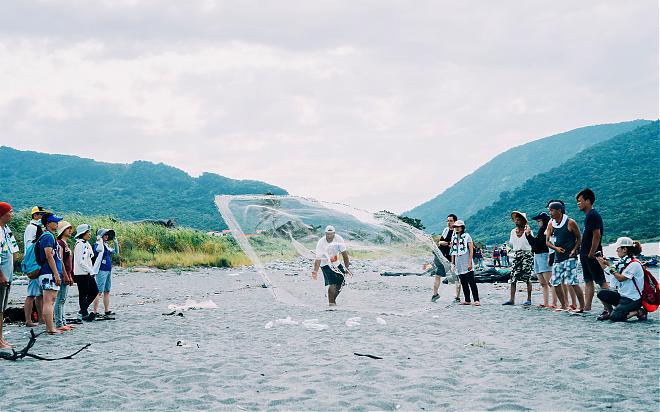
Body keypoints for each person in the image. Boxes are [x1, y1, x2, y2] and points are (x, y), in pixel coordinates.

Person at [546, 201, 585, 313]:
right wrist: (556, 249)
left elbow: (579, 238)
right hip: (558, 257)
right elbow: (547, 242)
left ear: (559, 210)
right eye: (549, 210)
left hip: (570, 257)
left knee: (572, 281)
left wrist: (574, 250)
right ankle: (563, 305)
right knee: (555, 281)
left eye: (552, 210)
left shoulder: (570, 222)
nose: (550, 213)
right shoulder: (551, 224)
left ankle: (582, 306)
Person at [595, 237, 646, 322]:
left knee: (616, 317)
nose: (616, 251)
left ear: (625, 249)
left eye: (618, 248)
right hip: (622, 296)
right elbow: (609, 271)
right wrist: (599, 259)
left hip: (633, 299)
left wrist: (609, 265)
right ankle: (610, 312)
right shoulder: (622, 262)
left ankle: (638, 311)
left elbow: (620, 278)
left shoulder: (635, 264)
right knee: (601, 293)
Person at [576, 188, 609, 312]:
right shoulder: (588, 216)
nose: (578, 203)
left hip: (592, 254)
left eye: (580, 201)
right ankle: (587, 307)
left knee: (601, 281)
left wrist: (591, 253)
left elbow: (597, 235)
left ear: (588, 201)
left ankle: (607, 307)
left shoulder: (593, 215)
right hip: (585, 254)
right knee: (588, 280)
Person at [311, 225, 352, 307]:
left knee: (341, 281)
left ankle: (332, 300)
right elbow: (318, 258)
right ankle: (331, 303)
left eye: (331, 234)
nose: (329, 236)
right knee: (333, 283)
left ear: (334, 233)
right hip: (325, 263)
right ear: (325, 233)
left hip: (336, 262)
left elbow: (345, 255)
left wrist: (347, 268)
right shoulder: (321, 243)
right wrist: (315, 271)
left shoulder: (339, 239)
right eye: (327, 234)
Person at [37, 212, 64, 334]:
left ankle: (50, 327)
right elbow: (49, 255)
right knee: (49, 301)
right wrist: (56, 274)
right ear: (48, 223)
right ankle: (50, 328)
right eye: (54, 221)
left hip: (50, 272)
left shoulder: (50, 236)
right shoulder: (47, 236)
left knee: (51, 300)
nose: (57, 223)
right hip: (48, 273)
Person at [502, 211, 534, 306]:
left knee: (527, 277)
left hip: (526, 254)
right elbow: (511, 244)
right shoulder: (513, 232)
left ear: (523, 221)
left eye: (519, 219)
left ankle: (529, 299)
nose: (517, 221)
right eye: (516, 219)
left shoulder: (528, 231)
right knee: (513, 277)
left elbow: (532, 242)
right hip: (516, 254)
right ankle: (512, 299)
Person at [23, 205, 47, 327]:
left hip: (36, 262)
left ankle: (41, 319)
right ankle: (28, 320)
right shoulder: (32, 228)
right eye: (40, 214)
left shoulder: (36, 227)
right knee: (31, 294)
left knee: (39, 294)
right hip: (34, 263)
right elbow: (30, 246)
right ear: (35, 215)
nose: (42, 216)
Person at [0, 202, 19, 349]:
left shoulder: (6, 229)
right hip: (2, 276)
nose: (12, 214)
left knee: (2, 309)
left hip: (8, 275)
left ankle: (1, 338)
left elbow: (12, 250)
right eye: (10, 212)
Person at [528, 212, 555, 308]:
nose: (538, 223)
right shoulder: (541, 230)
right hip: (537, 255)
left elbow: (537, 243)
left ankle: (554, 302)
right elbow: (535, 244)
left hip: (544, 255)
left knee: (549, 282)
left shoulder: (546, 230)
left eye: (539, 221)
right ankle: (546, 302)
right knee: (543, 283)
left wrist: (529, 236)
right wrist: (528, 235)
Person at [450, 220, 480, 306]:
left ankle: (476, 300)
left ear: (462, 228)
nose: (457, 228)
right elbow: (453, 251)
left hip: (466, 261)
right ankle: (467, 299)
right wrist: (453, 263)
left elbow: (471, 251)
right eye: (455, 227)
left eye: (459, 227)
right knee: (463, 281)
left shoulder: (467, 236)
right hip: (458, 262)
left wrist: (470, 263)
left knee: (471, 281)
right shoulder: (454, 237)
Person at [73, 224, 98, 321]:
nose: (89, 234)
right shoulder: (80, 245)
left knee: (94, 291)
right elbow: (81, 261)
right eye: (88, 232)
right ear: (82, 233)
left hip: (87, 272)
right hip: (81, 273)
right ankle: (83, 313)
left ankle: (83, 310)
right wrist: (91, 271)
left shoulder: (85, 244)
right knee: (83, 293)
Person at [433, 214, 460, 302]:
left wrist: (446, 243)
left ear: (455, 222)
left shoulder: (457, 232)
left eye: (451, 221)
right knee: (437, 275)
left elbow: (455, 244)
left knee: (456, 277)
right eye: (447, 221)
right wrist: (447, 243)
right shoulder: (446, 230)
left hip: (451, 258)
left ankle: (457, 297)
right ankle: (435, 294)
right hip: (441, 256)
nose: (448, 222)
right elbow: (440, 241)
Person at [92, 228, 119, 317]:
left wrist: (115, 242)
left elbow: (115, 252)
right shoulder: (97, 245)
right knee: (98, 291)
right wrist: (99, 240)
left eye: (107, 235)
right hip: (101, 270)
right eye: (105, 235)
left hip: (108, 270)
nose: (107, 236)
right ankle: (95, 311)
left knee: (107, 291)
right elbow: (97, 251)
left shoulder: (106, 245)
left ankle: (107, 310)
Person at [55, 221, 75, 330]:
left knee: (63, 299)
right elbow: (60, 260)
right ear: (62, 231)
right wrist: (66, 275)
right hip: (62, 274)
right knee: (60, 299)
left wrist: (70, 275)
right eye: (68, 228)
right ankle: (59, 324)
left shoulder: (66, 243)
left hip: (67, 273)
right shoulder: (60, 243)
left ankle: (63, 322)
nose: (70, 230)